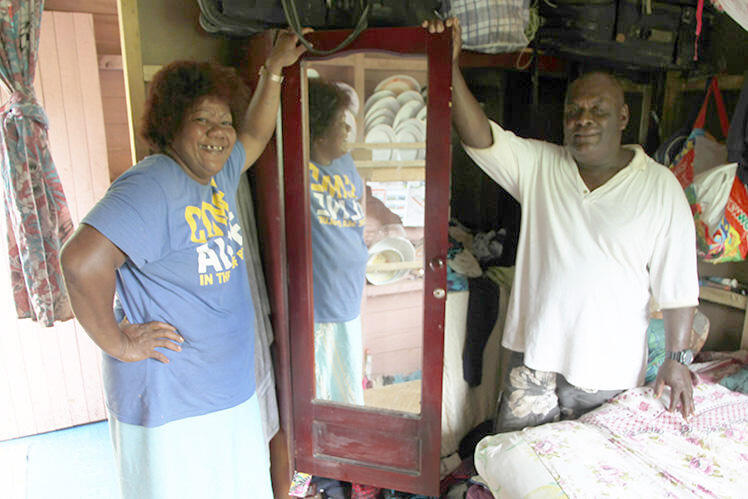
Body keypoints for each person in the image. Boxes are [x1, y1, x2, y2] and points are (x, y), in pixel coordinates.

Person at [59, 29, 309, 498]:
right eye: (202, 120)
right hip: (172, 398)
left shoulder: (217, 175)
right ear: (171, 124)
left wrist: (274, 70)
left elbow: (255, 131)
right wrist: (118, 344)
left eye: (223, 120)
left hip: (221, 387)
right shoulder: (152, 184)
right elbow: (78, 263)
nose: (219, 132)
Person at [423, 18, 699, 431]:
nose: (582, 120)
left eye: (597, 111)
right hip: (532, 359)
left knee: (588, 480)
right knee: (516, 470)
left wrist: (676, 362)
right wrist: (450, 67)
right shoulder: (541, 166)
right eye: (574, 111)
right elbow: (479, 135)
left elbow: (678, 290)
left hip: (608, 373)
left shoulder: (659, 188)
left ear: (623, 116)